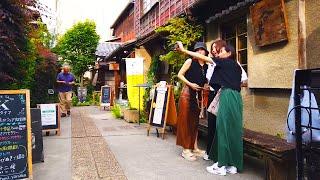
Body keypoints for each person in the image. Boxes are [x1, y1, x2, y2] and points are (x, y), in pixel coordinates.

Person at [176, 40, 243, 175]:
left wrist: (183, 50)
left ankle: (221, 166)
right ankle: (233, 164)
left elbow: (207, 61)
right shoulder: (236, 65)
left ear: (229, 53)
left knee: (223, 130)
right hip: (236, 97)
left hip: (226, 95)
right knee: (234, 131)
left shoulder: (220, 63)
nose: (218, 53)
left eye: (221, 51)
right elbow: (242, 81)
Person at [176, 42, 208, 161]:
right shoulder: (190, 61)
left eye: (202, 50)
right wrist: (190, 84)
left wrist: (205, 86)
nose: (200, 52)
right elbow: (180, 75)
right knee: (185, 121)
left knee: (195, 122)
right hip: (187, 94)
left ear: (205, 52)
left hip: (197, 96)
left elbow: (204, 80)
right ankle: (186, 150)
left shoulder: (206, 65)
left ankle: (194, 147)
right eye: (197, 50)